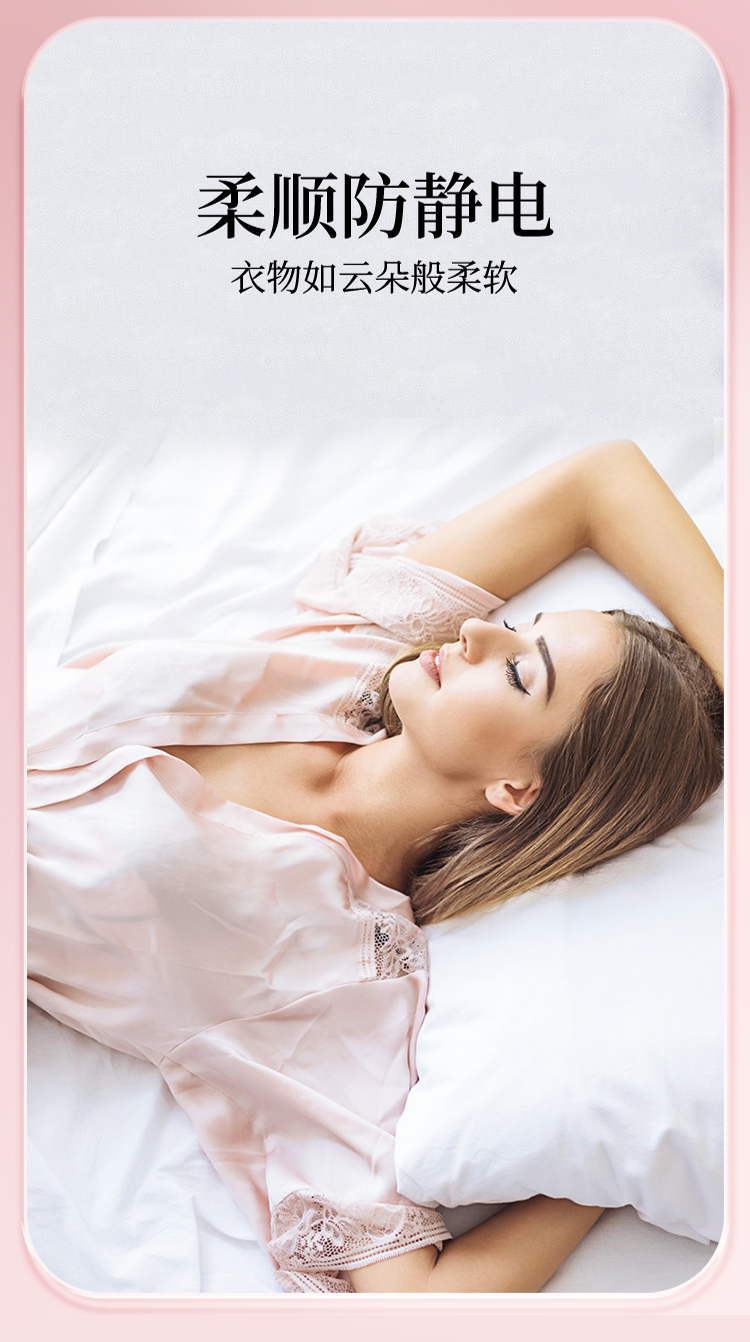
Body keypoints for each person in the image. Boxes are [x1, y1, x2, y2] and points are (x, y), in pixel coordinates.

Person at [27, 439, 723, 1294]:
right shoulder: (352, 652)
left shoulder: (336, 985)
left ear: (516, 789)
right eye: (518, 626)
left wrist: (602, 1166)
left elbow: (413, 1310)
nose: (475, 629)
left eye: (517, 671)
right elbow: (601, 481)